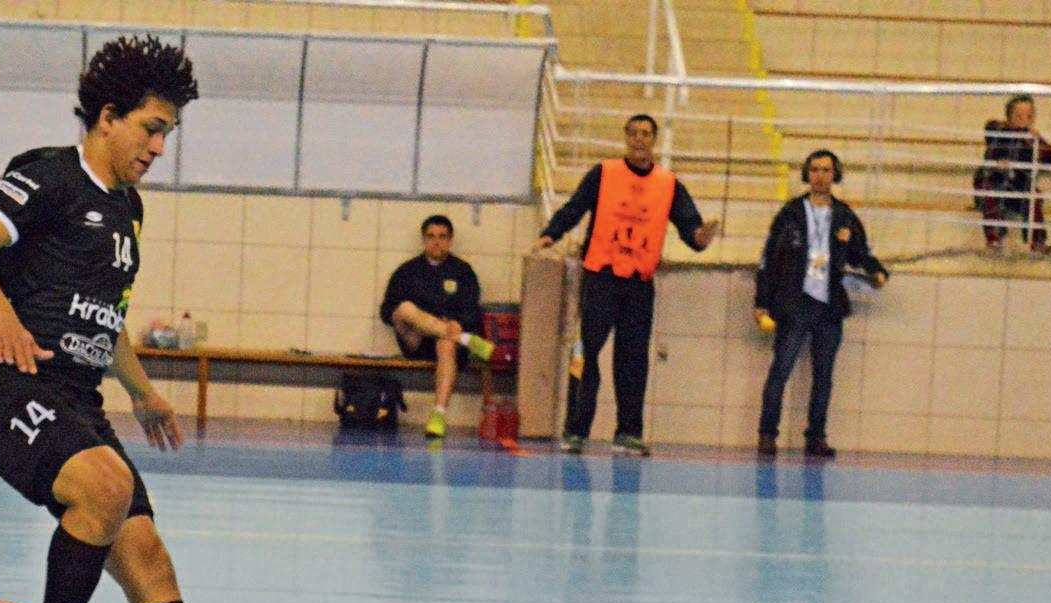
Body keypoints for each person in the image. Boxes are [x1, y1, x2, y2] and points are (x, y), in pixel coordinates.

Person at [0, 35, 315, 603]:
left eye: (168, 133)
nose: (158, 146)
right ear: (107, 117)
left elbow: (101, 319)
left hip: (78, 398)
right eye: (150, 128)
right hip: (8, 386)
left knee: (148, 559)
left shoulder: (127, 210)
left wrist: (142, 390)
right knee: (105, 489)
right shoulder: (47, 174)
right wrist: (2, 316)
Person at [536, 113, 717, 457]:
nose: (639, 139)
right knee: (585, 353)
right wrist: (551, 233)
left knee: (632, 359)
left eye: (646, 134)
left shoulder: (668, 184)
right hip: (600, 278)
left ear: (654, 140)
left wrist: (701, 237)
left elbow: (690, 227)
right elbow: (575, 208)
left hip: (638, 284)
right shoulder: (603, 173)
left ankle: (628, 433)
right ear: (625, 137)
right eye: (633, 133)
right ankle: (575, 430)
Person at [753, 150, 888, 460]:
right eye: (814, 169)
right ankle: (767, 433)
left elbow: (860, 253)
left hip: (828, 306)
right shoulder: (790, 214)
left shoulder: (844, 216)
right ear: (806, 174)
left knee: (823, 376)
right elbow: (768, 260)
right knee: (780, 370)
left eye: (826, 170)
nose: (820, 176)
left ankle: (816, 436)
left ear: (835, 174)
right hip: (794, 303)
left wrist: (877, 271)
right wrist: (762, 302)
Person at [378, 214, 494, 439]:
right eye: (431, 237)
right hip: (415, 339)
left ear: (450, 240)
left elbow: (472, 310)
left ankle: (438, 415)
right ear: (424, 239)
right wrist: (409, 319)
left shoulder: (462, 271)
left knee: (446, 343)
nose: (436, 242)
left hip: (448, 342)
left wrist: (457, 323)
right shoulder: (407, 271)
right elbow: (386, 310)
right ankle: (465, 340)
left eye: (442, 237)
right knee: (405, 308)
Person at [974, 94, 1051, 253]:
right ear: (1009, 117)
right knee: (991, 195)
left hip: (1019, 187)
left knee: (1034, 198)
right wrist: (999, 163)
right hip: (995, 181)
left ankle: (1037, 241)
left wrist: (1038, 142)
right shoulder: (998, 131)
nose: (1025, 120)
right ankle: (993, 240)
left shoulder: (1033, 140)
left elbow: (1048, 160)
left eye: (1029, 116)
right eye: (1019, 116)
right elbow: (991, 131)